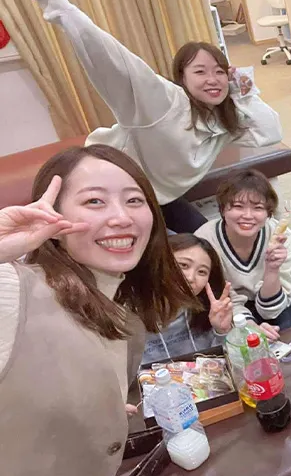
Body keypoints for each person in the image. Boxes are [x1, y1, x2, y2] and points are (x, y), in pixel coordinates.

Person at [24, 0, 283, 233]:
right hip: (104, 183)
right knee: (154, 250)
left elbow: (270, 132)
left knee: (203, 243)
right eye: (200, 71)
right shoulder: (164, 101)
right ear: (182, 78)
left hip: (154, 196)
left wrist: (244, 94)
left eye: (219, 71)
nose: (212, 79)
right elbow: (114, 60)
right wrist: (63, 9)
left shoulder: (222, 120)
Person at [0, 144, 196, 475]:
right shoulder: (13, 290)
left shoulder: (125, 310)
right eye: (94, 201)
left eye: (134, 200)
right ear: (52, 220)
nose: (122, 218)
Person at [142, 233, 280, 364]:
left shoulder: (208, 309)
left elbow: (227, 362)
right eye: (183, 265)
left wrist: (223, 331)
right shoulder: (133, 316)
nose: (190, 278)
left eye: (202, 272)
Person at [195, 169, 291, 329]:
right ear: (223, 209)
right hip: (230, 302)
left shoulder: (286, 241)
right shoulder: (205, 241)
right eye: (238, 206)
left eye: (258, 208)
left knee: (290, 332)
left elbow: (272, 311)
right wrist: (250, 327)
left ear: (268, 213)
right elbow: (221, 297)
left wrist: (272, 269)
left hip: (278, 294)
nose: (247, 215)